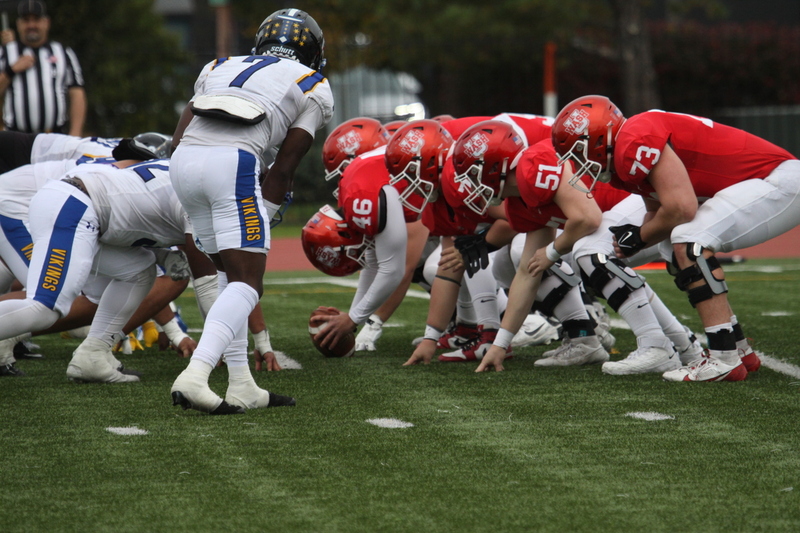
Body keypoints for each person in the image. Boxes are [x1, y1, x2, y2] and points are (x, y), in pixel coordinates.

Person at [549, 95, 800, 381]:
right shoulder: (626, 149)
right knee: (674, 246)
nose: (579, 163)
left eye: (578, 151)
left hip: (777, 179)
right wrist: (636, 239)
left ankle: (722, 358)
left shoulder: (633, 139)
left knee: (689, 240)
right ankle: (739, 348)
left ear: (598, 137)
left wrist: (640, 237)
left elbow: (682, 208)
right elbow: (657, 210)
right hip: (759, 181)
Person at [168, 8, 333, 414]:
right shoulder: (313, 83)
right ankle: (197, 374)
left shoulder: (218, 65)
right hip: (233, 164)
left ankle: (242, 383)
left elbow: (177, 138)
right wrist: (267, 212)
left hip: (184, 163)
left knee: (226, 273)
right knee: (248, 281)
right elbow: (283, 168)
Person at [0, 1, 86, 135]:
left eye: (36, 20)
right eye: (26, 20)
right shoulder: (5, 53)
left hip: (54, 136)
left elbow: (77, 94)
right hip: (16, 137)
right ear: (18, 24)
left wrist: (75, 134)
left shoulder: (63, 52)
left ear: (46, 22)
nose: (31, 25)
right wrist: (11, 70)